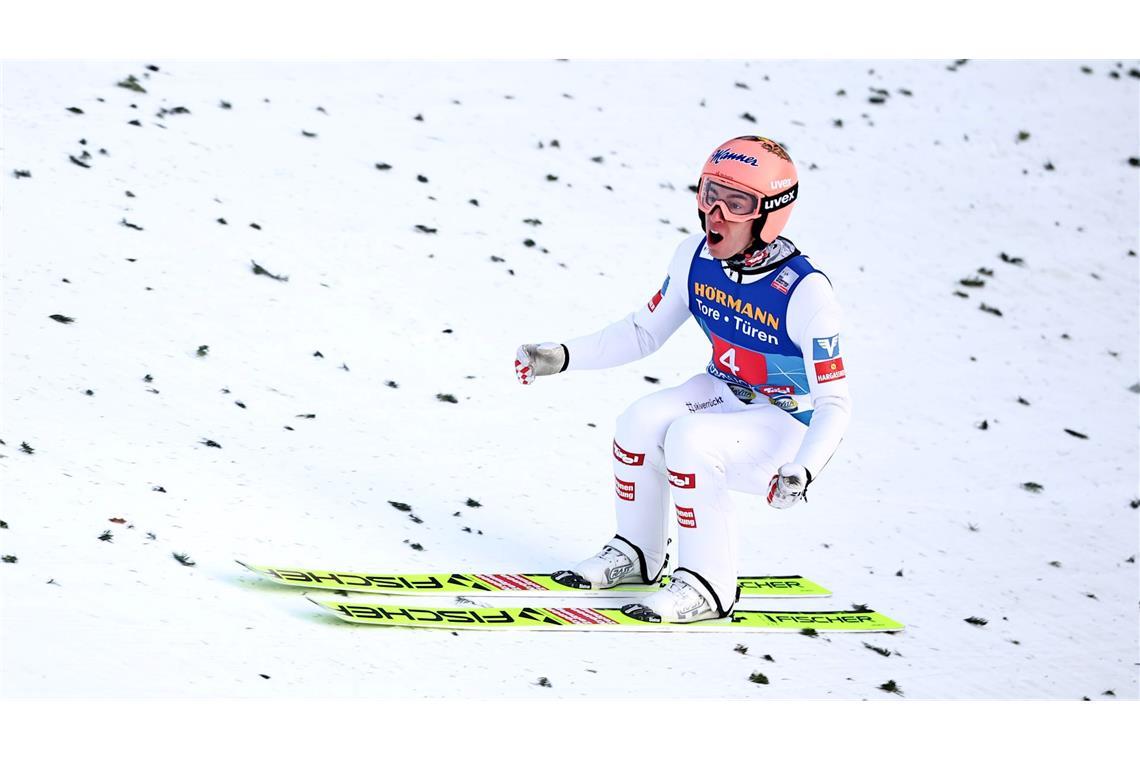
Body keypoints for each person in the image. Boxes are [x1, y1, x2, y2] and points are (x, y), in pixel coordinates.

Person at [514, 135, 851, 623]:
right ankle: (639, 553)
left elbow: (835, 402)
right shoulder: (694, 257)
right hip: (725, 393)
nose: (716, 214)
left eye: (737, 204)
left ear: (770, 214)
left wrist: (805, 469)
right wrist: (563, 356)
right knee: (639, 422)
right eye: (709, 194)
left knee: (691, 440)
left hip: (787, 425)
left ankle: (710, 586)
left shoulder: (805, 293)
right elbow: (643, 332)